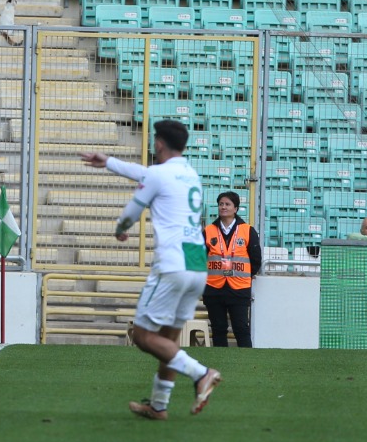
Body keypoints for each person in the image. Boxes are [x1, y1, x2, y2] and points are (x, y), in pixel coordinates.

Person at [81, 120, 222, 421]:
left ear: (158, 144)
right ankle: (159, 406)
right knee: (168, 341)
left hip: (171, 265)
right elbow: (145, 174)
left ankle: (201, 374)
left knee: (144, 336)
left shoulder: (159, 174)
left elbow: (133, 210)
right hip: (197, 264)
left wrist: (120, 229)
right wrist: (108, 162)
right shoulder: (190, 174)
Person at [202, 191, 261, 348]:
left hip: (239, 288)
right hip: (214, 288)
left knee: (241, 329)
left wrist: (248, 274)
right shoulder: (208, 231)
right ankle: (221, 363)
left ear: (235, 208)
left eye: (227, 204)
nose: (223, 207)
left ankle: (247, 365)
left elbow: (256, 259)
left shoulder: (248, 230)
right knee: (218, 329)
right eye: (221, 204)